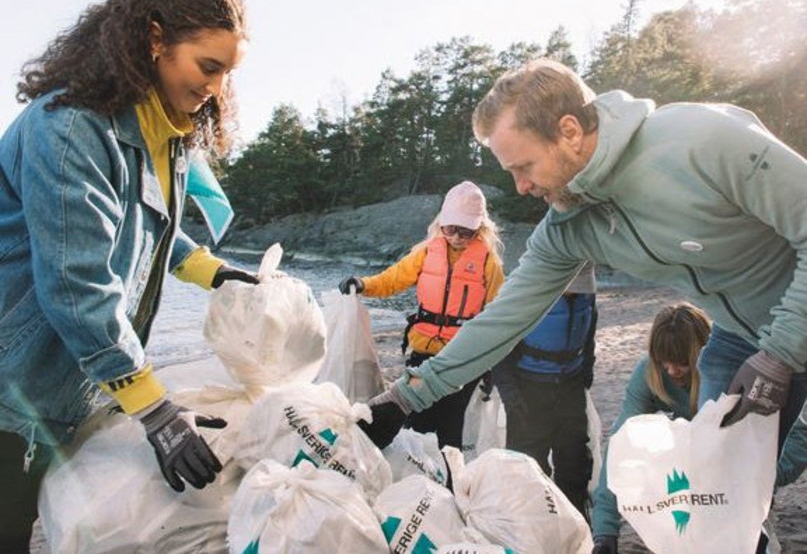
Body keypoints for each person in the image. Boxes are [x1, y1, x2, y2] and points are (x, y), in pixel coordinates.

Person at [357, 59, 807, 500]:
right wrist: (404, 397)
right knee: (717, 492)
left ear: (569, 132)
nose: (520, 187)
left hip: (789, 322)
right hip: (739, 340)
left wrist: (781, 352)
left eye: (525, 166)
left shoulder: (700, 140)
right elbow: (502, 320)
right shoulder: (568, 227)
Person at [0, 0, 260, 551]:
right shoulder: (68, 129)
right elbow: (77, 283)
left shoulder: (160, 132)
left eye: (228, 73)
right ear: (154, 41)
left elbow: (149, 235)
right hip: (12, 389)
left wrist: (215, 273)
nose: (216, 88)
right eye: (208, 66)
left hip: (74, 387)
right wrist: (158, 414)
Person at [592, 304, 807, 554]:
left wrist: (760, 480)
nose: (672, 371)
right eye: (664, 363)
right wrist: (604, 532)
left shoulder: (729, 371)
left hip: (740, 462)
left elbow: (800, 436)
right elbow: (620, 446)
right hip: (697, 462)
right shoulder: (648, 375)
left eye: (682, 363)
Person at [339, 181, 505, 448]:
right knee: (417, 422)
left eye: (466, 231)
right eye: (450, 228)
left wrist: (491, 364)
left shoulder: (488, 262)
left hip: (462, 355)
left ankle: (447, 484)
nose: (457, 237)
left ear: (480, 228)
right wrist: (363, 284)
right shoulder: (427, 252)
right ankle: (417, 482)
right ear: (441, 223)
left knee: (450, 425)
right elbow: (392, 279)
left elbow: (499, 314)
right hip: (423, 351)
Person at [492, 261, 597, 518]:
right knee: (528, 464)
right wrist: (510, 394)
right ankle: (532, 523)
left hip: (569, 385)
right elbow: (498, 347)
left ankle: (576, 519)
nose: (575, 292)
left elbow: (588, 334)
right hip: (528, 388)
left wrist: (586, 372)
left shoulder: (587, 297)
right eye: (569, 289)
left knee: (575, 460)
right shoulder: (526, 297)